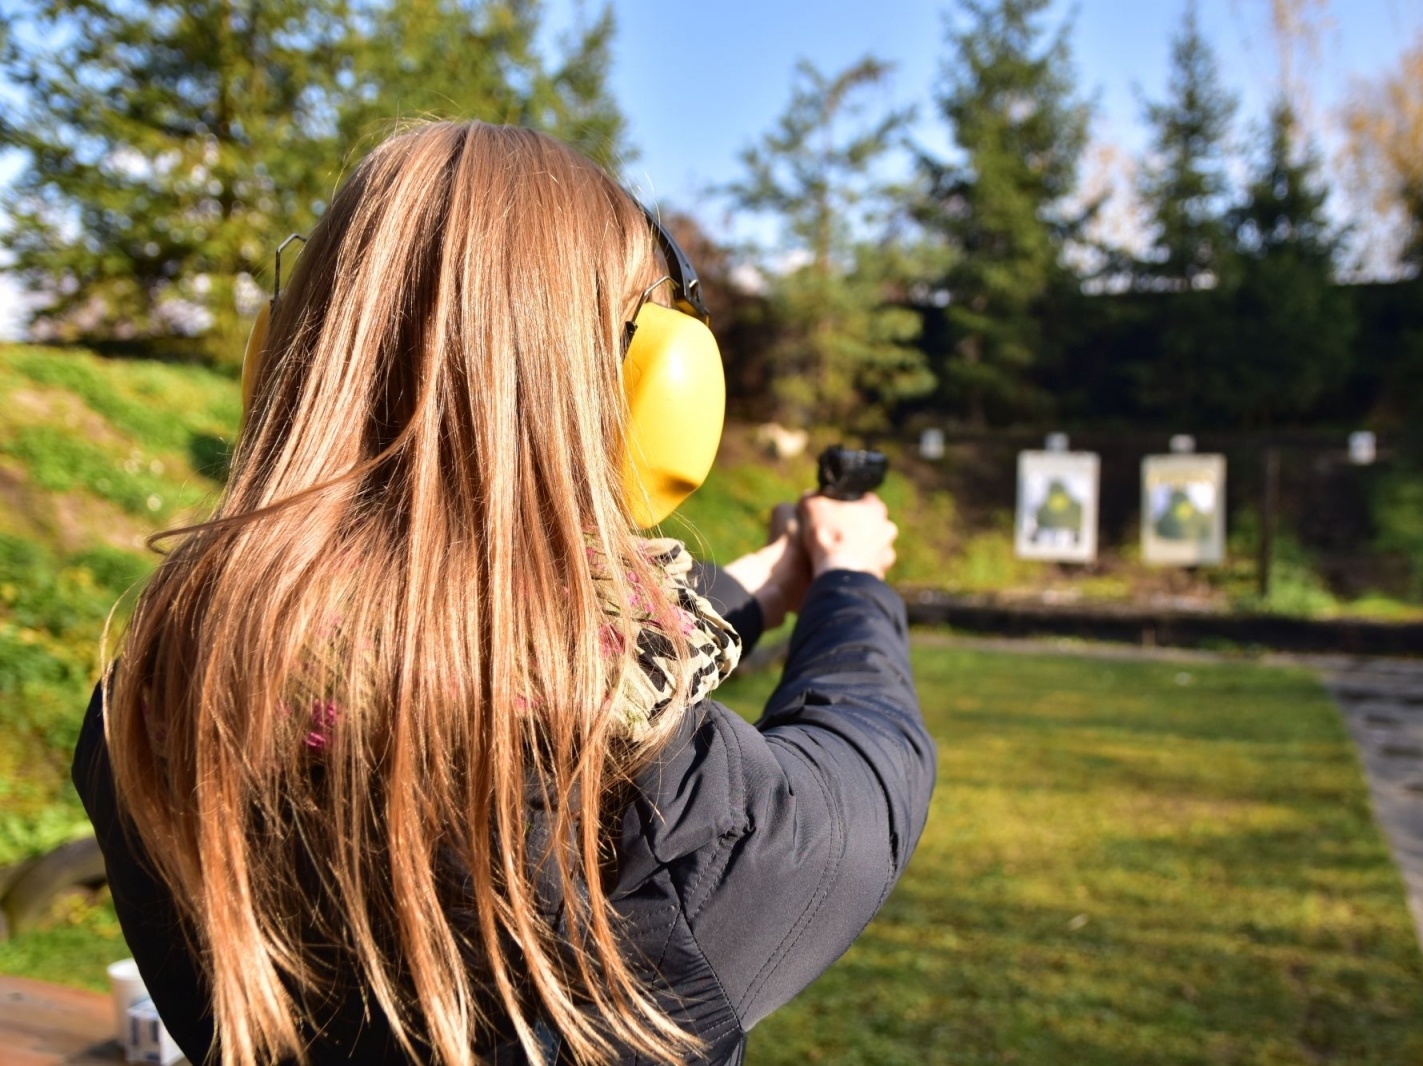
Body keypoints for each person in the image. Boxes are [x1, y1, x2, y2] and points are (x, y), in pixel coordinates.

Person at [72, 121, 935, 1066]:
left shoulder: (152, 711)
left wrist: (770, 582)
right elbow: (863, 779)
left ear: (280, 356)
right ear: (653, 397)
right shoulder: (638, 814)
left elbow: (502, 639)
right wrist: (850, 577)